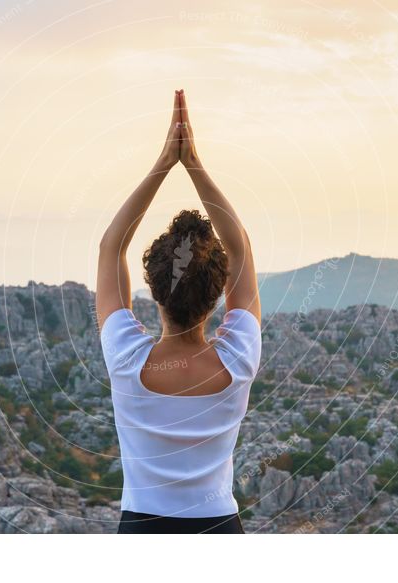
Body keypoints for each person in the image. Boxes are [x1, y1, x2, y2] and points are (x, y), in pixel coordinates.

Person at [96, 89, 262, 534]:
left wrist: (164, 162)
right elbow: (239, 245)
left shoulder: (127, 361)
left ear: (154, 290)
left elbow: (112, 247)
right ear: (216, 296)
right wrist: (194, 164)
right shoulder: (238, 360)